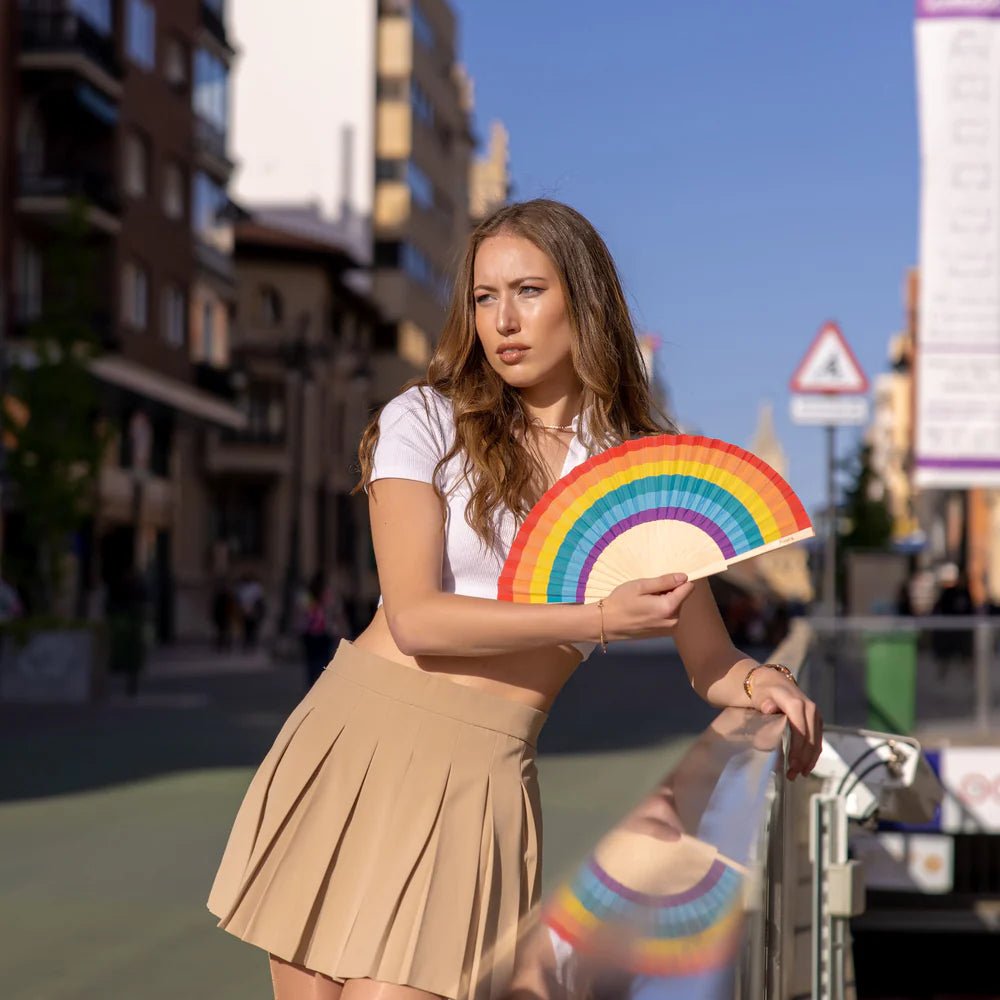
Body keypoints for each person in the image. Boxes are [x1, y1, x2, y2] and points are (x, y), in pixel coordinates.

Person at [206, 199, 824, 1000]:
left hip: (479, 777)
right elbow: (416, 618)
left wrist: (762, 679)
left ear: (583, 301)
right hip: (354, 737)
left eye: (528, 291)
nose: (503, 321)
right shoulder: (426, 419)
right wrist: (599, 620)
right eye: (484, 297)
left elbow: (708, 659)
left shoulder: (637, 472)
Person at [299, 570, 350, 688]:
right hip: (324, 632)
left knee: (311, 662)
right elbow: (337, 613)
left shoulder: (306, 596)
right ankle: (321, 685)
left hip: (309, 633)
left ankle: (312, 685)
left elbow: (301, 614)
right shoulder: (328, 595)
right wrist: (343, 630)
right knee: (324, 661)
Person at [236, 573, 266, 650]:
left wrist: (253, 608)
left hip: (253, 610)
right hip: (245, 610)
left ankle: (252, 644)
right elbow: (240, 599)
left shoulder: (256, 587)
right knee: (246, 628)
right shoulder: (242, 587)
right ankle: (247, 644)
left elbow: (258, 599)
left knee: (253, 628)